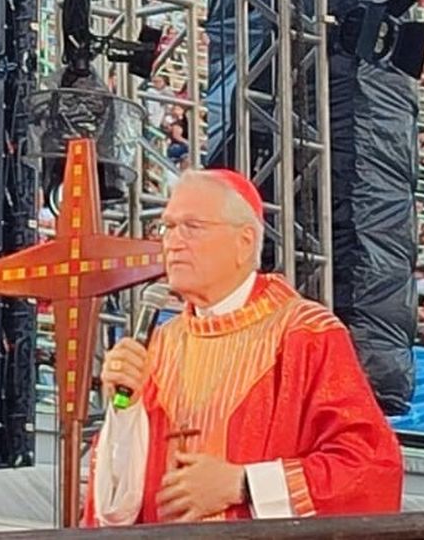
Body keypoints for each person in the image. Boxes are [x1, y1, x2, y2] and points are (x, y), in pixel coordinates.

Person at [86, 170, 402, 525]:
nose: (173, 242)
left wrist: (242, 483)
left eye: (192, 226)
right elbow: (116, 511)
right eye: (167, 227)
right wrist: (124, 411)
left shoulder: (303, 334)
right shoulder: (156, 348)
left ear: (245, 241)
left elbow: (368, 466)